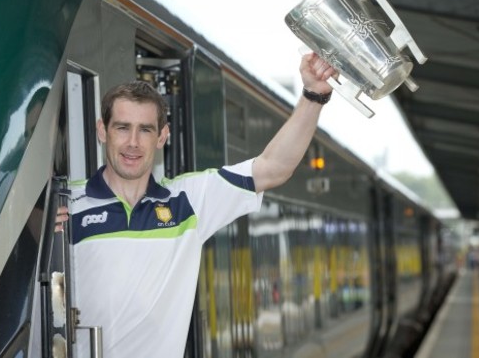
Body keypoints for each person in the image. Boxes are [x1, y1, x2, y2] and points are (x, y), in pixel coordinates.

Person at [56, 52, 337, 358]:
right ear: (102, 131)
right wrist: (39, 226)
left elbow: (273, 168)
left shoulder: (187, 200)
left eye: (145, 130)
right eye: (122, 128)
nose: (133, 142)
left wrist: (313, 96)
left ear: (162, 136)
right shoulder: (65, 203)